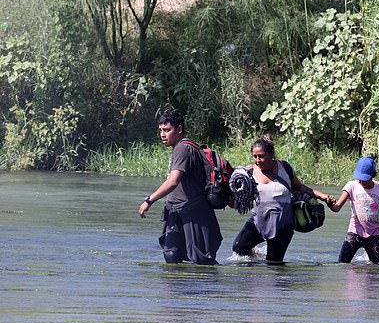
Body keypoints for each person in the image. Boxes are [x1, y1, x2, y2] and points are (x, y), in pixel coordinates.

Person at [138, 110, 222, 265]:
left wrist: (149, 200)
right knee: (172, 255)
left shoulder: (183, 149)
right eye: (161, 130)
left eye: (167, 130)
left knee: (200, 262)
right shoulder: (179, 148)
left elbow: (173, 181)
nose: (163, 134)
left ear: (179, 129)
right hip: (177, 211)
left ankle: (208, 289)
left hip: (194, 213)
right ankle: (175, 289)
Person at [232, 137, 333, 263]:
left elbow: (299, 187)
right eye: (255, 156)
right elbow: (236, 196)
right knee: (238, 247)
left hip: (283, 225)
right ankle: (256, 270)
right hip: (258, 221)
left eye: (261, 156)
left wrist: (321, 195)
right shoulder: (249, 172)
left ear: (271, 154)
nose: (258, 160)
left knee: (273, 264)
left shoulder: (284, 168)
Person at [327, 156, 379, 264]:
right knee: (342, 264)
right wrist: (330, 204)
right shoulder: (351, 186)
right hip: (354, 233)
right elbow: (337, 207)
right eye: (360, 178)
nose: (362, 182)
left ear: (373, 176)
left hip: (373, 235)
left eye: (365, 179)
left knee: (377, 267)